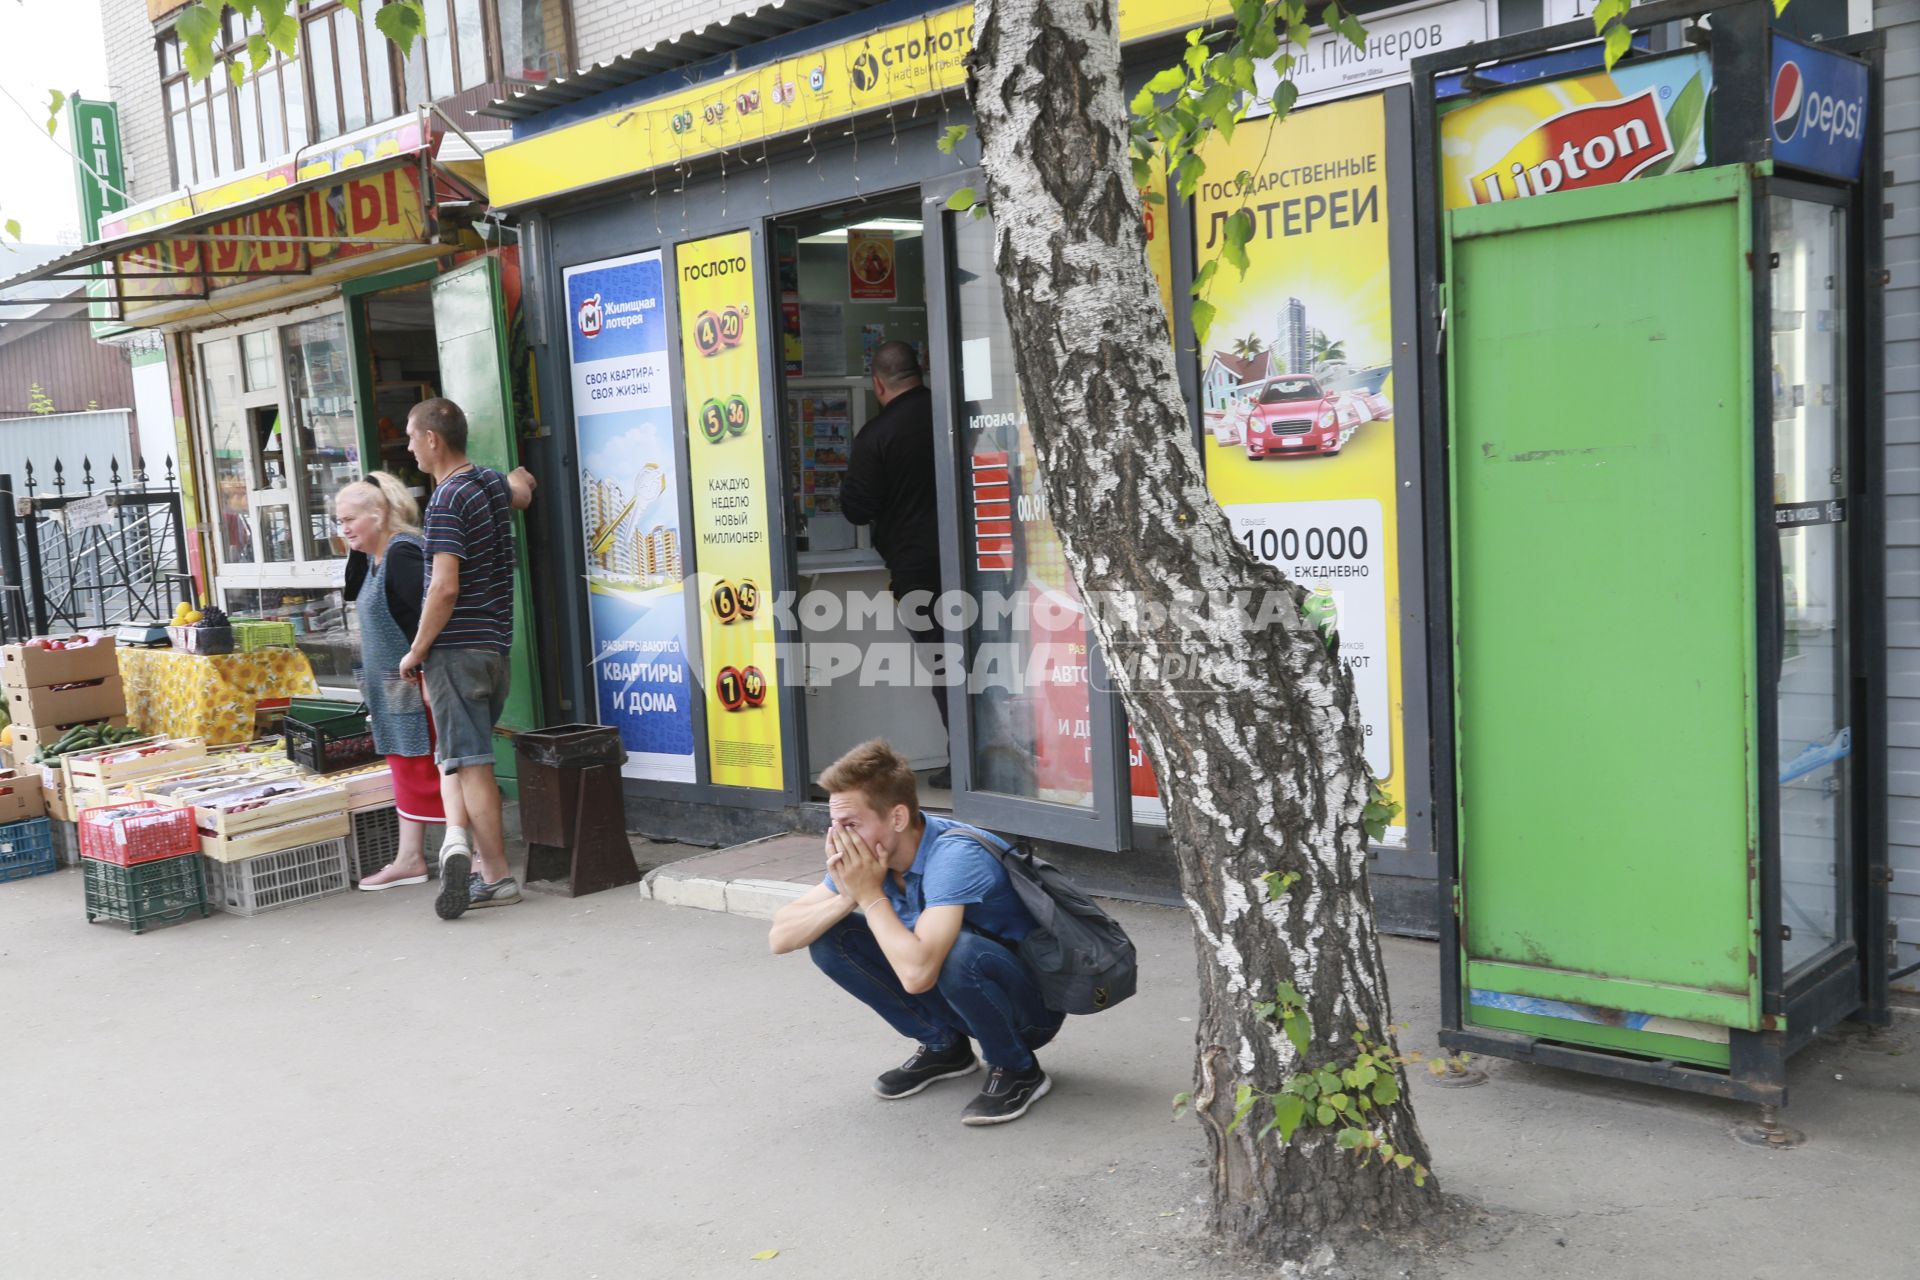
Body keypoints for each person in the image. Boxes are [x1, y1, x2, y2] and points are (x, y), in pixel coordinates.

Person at [768, 739, 1065, 1125]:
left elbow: (917, 974)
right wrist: (847, 897)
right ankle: (945, 1047)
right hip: (956, 997)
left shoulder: (954, 855)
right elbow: (780, 937)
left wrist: (869, 895)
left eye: (851, 824)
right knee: (829, 936)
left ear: (897, 818)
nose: (838, 838)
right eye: (834, 824)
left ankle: (1018, 1068)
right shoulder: (868, 854)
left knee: (952, 951)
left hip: (1027, 1012)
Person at [397, 397, 536, 920]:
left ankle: (496, 875)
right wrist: (521, 482)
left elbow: (444, 588)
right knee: (456, 758)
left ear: (433, 439)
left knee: (472, 763)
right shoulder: (487, 484)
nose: (408, 446)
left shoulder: (447, 500)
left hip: (456, 650)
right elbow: (520, 490)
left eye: (412, 436)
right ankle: (460, 845)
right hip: (495, 647)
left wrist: (418, 649)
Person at [840, 341, 951, 785]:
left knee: (945, 663)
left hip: (916, 568)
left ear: (878, 383)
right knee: (987, 658)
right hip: (977, 560)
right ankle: (989, 761)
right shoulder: (953, 414)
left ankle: (962, 760)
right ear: (919, 371)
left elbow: (857, 509)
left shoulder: (877, 435)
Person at [336, 474, 446, 889]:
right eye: (338, 520)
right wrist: (358, 544)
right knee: (406, 767)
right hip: (391, 687)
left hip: (417, 685)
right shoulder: (374, 557)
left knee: (435, 768)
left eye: (350, 519)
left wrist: (426, 671)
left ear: (379, 515)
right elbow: (351, 590)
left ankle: (471, 853)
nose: (343, 528)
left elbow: (429, 618)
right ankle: (410, 857)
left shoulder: (402, 555)